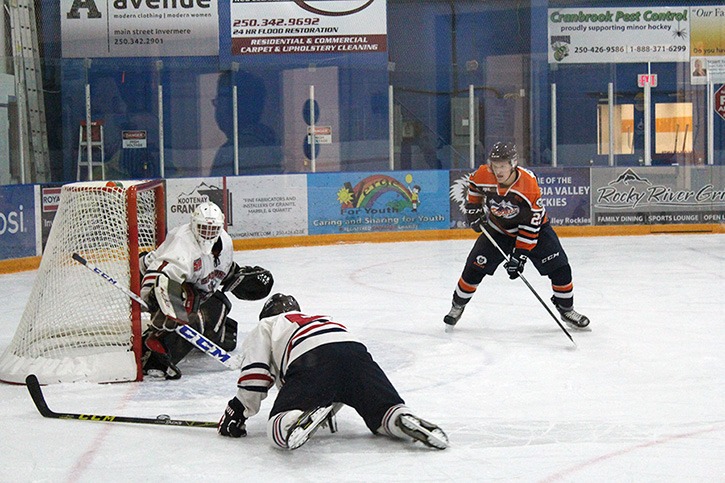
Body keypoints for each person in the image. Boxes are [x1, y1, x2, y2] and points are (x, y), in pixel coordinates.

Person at [217, 293, 448, 451]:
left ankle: (292, 420)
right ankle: (400, 419)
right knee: (382, 411)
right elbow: (337, 374)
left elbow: (256, 374)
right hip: (355, 352)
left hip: (311, 357)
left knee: (277, 431)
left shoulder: (267, 325)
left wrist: (238, 411)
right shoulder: (320, 318)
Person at [444, 142, 590, 331]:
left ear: (513, 164)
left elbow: (530, 226)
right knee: (473, 268)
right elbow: (474, 186)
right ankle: (457, 306)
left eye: (503, 165)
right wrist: (473, 208)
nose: (498, 171)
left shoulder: (528, 185)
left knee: (560, 268)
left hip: (535, 230)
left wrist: (520, 256)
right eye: (495, 166)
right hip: (499, 229)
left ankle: (566, 309)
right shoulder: (483, 174)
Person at [139, 201, 274, 379]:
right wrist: (156, 299)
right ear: (193, 224)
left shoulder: (225, 242)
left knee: (220, 312)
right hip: (154, 279)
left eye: (212, 229)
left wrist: (235, 276)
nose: (207, 234)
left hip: (193, 287)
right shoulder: (183, 244)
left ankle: (197, 328)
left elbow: (215, 270)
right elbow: (160, 274)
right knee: (191, 310)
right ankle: (154, 350)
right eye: (202, 228)